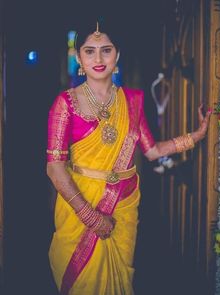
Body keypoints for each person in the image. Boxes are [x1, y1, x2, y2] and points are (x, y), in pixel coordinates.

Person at [46, 19, 211, 295]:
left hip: (123, 207)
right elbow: (55, 169)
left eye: (106, 50)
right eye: (89, 51)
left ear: (117, 55)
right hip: (79, 211)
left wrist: (194, 137)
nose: (98, 58)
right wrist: (92, 217)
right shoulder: (65, 104)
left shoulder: (131, 101)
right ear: (79, 57)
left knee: (120, 281)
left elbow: (152, 151)